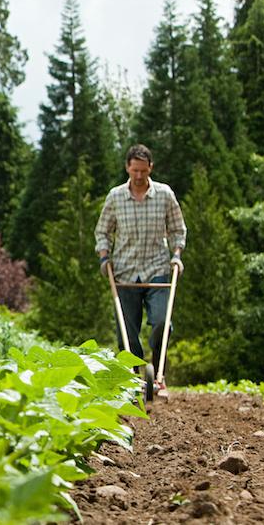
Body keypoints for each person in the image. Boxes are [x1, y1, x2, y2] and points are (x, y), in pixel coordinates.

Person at [94, 143, 186, 399]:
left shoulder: (165, 195)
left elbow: (178, 229)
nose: (138, 176)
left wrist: (176, 255)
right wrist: (104, 257)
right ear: (127, 168)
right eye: (134, 170)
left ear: (150, 169)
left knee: (161, 324)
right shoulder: (115, 197)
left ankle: (159, 376)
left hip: (157, 269)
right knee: (127, 332)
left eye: (143, 171)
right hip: (123, 272)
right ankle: (133, 379)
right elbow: (103, 231)